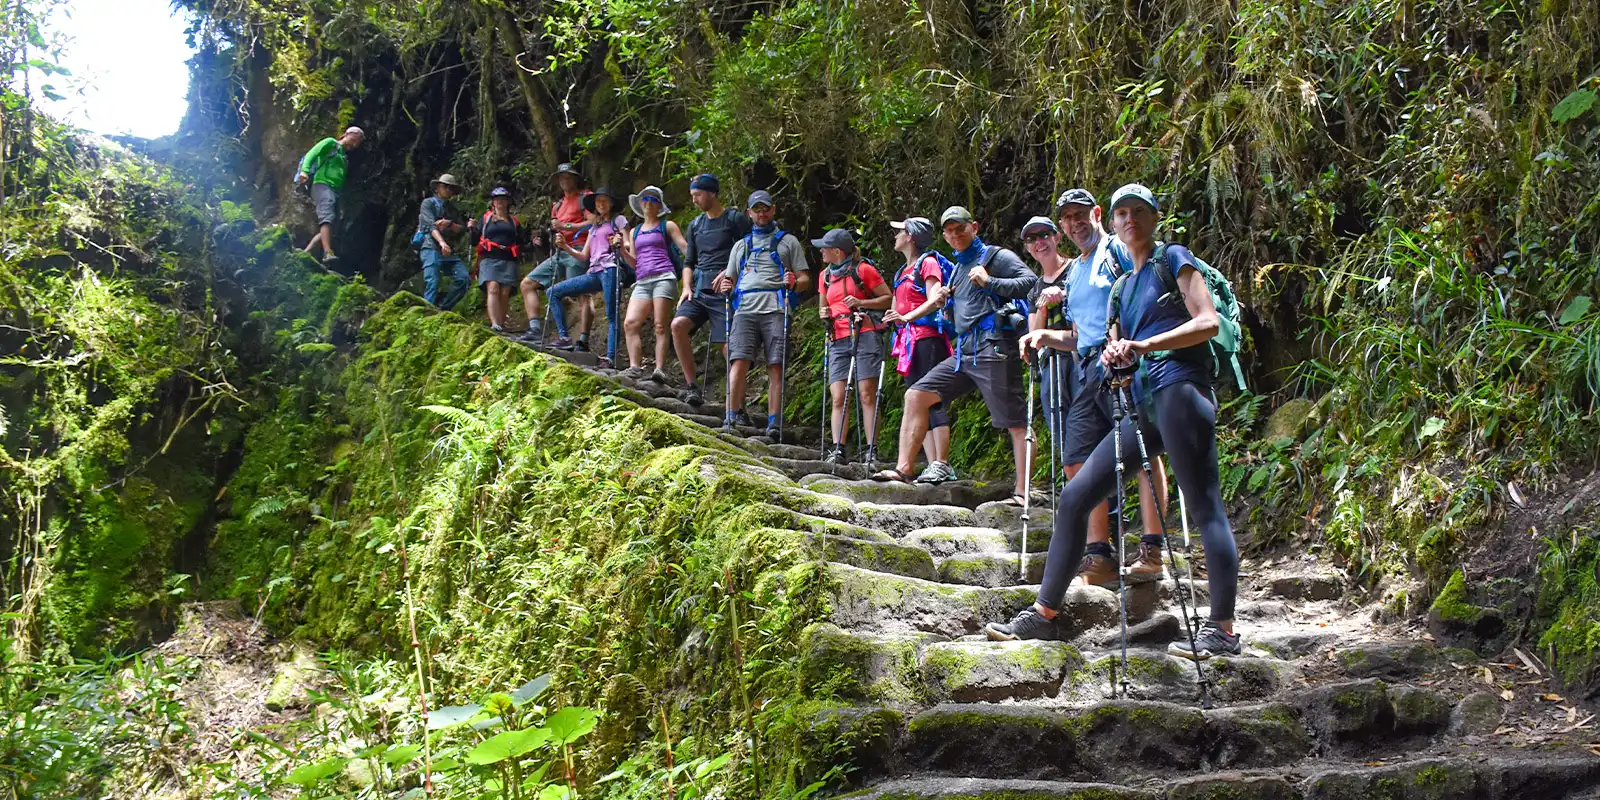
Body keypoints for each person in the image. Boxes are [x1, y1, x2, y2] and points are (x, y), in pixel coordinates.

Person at [987, 183, 1242, 661]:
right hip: (1142, 400)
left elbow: (1207, 322)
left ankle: (1223, 629)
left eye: (1137, 212)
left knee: (1206, 507)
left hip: (1183, 390)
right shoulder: (1124, 286)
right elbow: (1116, 341)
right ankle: (1043, 615)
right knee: (1076, 496)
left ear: (1153, 216)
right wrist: (1117, 358)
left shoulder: (1174, 259)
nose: (1129, 220)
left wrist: (1144, 347)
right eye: (1123, 213)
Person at [1018, 199, 1168, 590]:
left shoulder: (1114, 248)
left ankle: (1153, 550)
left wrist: (1133, 344)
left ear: (1096, 214)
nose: (1074, 223)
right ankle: (1098, 554)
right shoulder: (1077, 271)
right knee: (1076, 461)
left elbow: (1142, 291)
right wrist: (1043, 334)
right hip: (1088, 368)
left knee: (1143, 452)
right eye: (1067, 218)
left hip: (1124, 362)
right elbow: (1079, 334)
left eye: (1079, 215)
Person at [872, 207, 1038, 503]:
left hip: (994, 348)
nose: (954, 235)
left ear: (974, 227)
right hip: (965, 352)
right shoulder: (959, 268)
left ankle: (1023, 492)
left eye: (960, 228)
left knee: (1016, 421)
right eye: (948, 231)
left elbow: (1030, 282)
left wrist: (991, 282)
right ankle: (904, 468)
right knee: (916, 395)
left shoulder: (994, 257)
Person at [711, 190, 810, 443]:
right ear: (749, 213)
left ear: (773, 210)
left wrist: (794, 283)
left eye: (766, 208)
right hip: (744, 309)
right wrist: (726, 286)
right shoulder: (741, 245)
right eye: (757, 209)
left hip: (776, 308)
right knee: (738, 361)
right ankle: (731, 416)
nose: (762, 212)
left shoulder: (788, 242)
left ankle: (774, 423)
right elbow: (730, 278)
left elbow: (805, 278)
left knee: (776, 366)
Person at [883, 217, 955, 481]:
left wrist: (908, 317)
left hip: (928, 340)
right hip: (909, 343)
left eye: (900, 231)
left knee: (931, 400)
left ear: (911, 236)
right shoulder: (901, 272)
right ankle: (930, 465)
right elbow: (895, 309)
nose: (896, 236)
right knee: (917, 404)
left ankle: (942, 463)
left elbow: (936, 299)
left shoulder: (928, 263)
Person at [814, 228, 892, 465]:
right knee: (838, 396)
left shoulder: (863, 270)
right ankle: (838, 448)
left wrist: (861, 302)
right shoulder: (825, 276)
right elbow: (822, 309)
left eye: (825, 248)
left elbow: (888, 298)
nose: (821, 251)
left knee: (867, 394)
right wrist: (824, 313)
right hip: (837, 337)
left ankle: (871, 449)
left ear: (837, 251)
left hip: (865, 333)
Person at [672, 174, 751, 406]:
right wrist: (685, 287)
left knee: (729, 348)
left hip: (725, 291)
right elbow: (689, 262)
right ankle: (692, 386)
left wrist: (730, 272)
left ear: (712, 193)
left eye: (698, 195)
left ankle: (737, 406)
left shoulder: (734, 219)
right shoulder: (696, 225)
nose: (694, 200)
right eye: (692, 196)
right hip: (698, 290)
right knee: (677, 326)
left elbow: (749, 251)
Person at [620, 186, 691, 382]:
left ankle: (659, 369)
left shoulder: (667, 226)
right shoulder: (634, 232)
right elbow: (635, 262)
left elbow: (685, 248)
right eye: (644, 199)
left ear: (659, 205)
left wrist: (698, 266)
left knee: (660, 325)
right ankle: (635, 366)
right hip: (642, 280)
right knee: (630, 323)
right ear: (640, 204)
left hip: (663, 277)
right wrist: (621, 251)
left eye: (652, 199)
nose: (648, 203)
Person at [546, 187, 627, 358]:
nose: (601, 204)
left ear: (611, 203)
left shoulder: (618, 221)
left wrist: (619, 242)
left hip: (610, 269)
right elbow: (583, 256)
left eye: (604, 201)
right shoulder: (594, 227)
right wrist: (565, 247)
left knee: (612, 314)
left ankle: (611, 357)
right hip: (594, 271)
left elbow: (627, 245)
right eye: (598, 202)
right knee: (553, 292)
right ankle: (564, 337)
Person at [519, 163, 590, 343]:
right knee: (528, 284)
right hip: (560, 253)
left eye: (568, 177)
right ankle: (536, 329)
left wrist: (566, 226)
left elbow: (593, 222)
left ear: (575, 178)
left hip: (579, 249)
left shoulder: (585, 198)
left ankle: (582, 339)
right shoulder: (558, 206)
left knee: (581, 295)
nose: (564, 180)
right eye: (561, 177)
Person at [295, 126, 364, 265]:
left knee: (333, 224)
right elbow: (312, 154)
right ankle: (327, 252)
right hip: (322, 184)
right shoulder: (331, 143)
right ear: (347, 134)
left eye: (358, 143)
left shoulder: (344, 158)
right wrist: (305, 171)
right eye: (355, 140)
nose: (355, 145)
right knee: (327, 217)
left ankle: (307, 252)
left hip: (335, 191)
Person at [468, 187, 527, 332]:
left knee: (505, 292)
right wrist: (471, 228)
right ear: (493, 202)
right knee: (493, 288)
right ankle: (495, 323)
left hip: (508, 258)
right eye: (497, 199)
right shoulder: (486, 218)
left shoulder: (514, 222)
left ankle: (501, 324)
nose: (500, 202)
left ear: (507, 202)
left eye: (503, 199)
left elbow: (521, 241)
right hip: (489, 258)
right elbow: (474, 240)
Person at [416, 174, 469, 310]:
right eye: (445, 187)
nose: (448, 190)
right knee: (432, 281)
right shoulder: (428, 203)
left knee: (463, 278)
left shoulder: (453, 209)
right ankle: (427, 312)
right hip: (431, 246)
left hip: (448, 250)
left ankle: (443, 309)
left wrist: (449, 224)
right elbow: (430, 226)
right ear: (438, 187)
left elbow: (462, 229)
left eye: (451, 188)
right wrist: (441, 242)